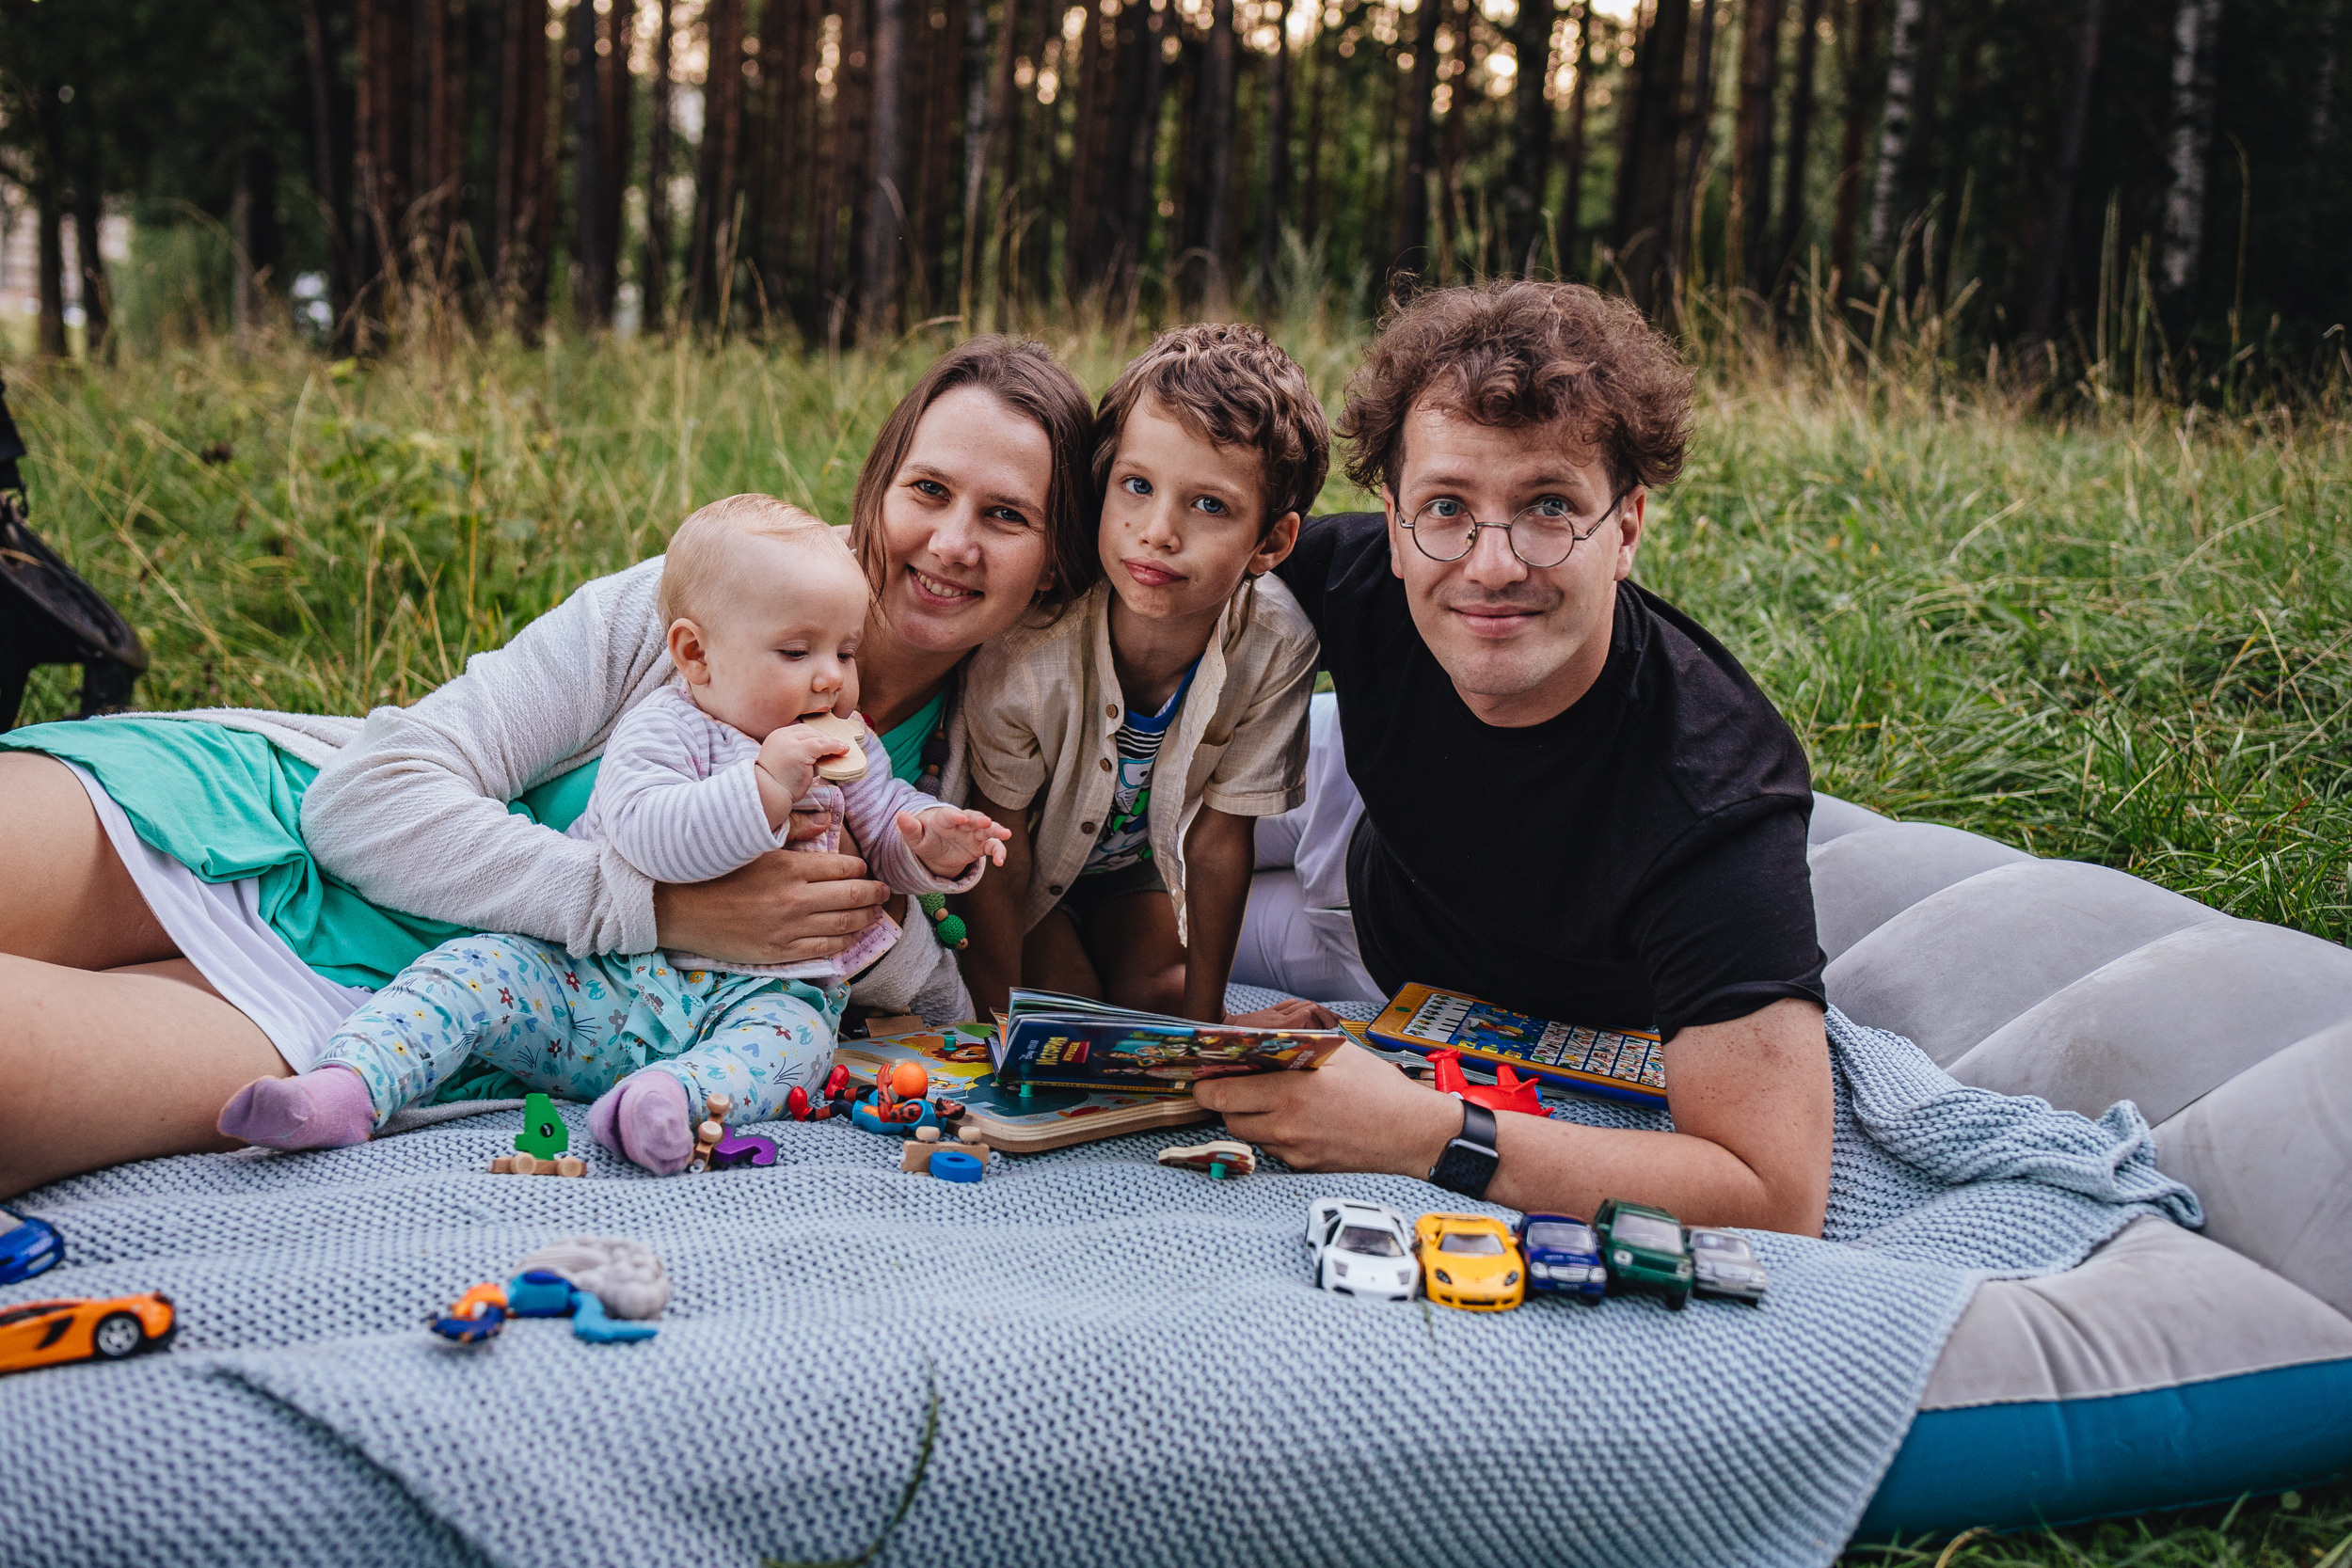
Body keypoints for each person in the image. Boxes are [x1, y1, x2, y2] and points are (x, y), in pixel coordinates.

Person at [0, 336, 1098, 1198]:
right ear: (878, 486)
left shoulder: (967, 769)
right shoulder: (706, 601)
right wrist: (653, 905)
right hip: (242, 811)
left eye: (1005, 517)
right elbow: (363, 802)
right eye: (929, 490)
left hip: (380, 1001)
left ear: (1051, 567)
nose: (952, 541)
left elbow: (936, 998)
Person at [1195, 282, 1836, 1236]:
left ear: (1625, 529)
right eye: (1446, 506)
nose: (1490, 563)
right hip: (1348, 799)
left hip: (1384, 964)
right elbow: (1131, 566)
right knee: (1105, 864)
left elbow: (1775, 1194)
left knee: (1157, 945)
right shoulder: (1369, 572)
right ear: (1396, 520)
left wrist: (1421, 1131)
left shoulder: (1712, 793)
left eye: (1546, 507)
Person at [215, 501, 1010, 1174]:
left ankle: (667, 1102)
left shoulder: (848, 743)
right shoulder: (667, 727)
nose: (831, 678)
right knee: (472, 971)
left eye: (844, 651)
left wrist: (929, 841)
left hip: (752, 997)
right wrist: (764, 790)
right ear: (696, 655)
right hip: (597, 979)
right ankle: (347, 1087)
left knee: (799, 1041)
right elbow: (648, 836)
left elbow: (882, 829)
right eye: (796, 653)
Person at [955, 324, 1326, 1023]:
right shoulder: (1030, 654)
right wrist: (995, 1027)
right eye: (1136, 485)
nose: (1158, 529)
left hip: (1136, 869)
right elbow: (997, 854)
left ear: (1272, 541)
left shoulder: (1277, 645)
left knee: (1156, 1007)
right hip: (1029, 874)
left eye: (1209, 504)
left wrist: (1205, 1027)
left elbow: (1220, 841)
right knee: (1072, 1015)